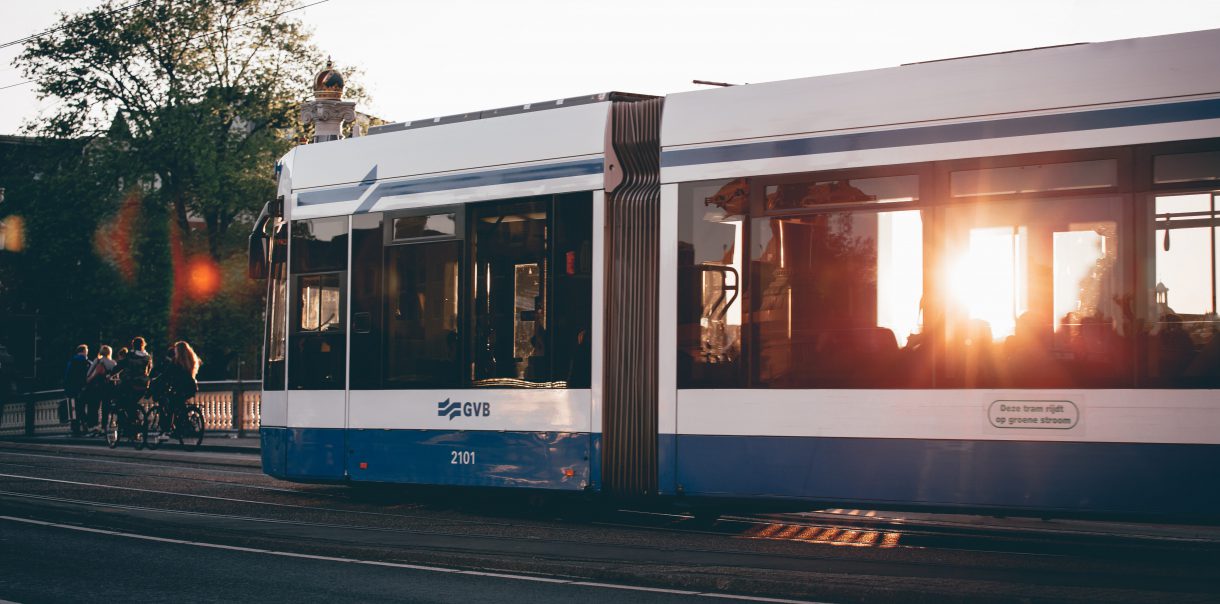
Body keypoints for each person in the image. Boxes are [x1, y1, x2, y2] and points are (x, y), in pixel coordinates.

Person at [159, 341, 201, 437]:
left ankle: (173, 428)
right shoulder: (191, 360)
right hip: (191, 387)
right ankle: (184, 425)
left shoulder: (176, 362)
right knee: (180, 405)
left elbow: (166, 375)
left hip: (180, 388)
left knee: (171, 406)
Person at [112, 337, 153, 427]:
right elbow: (149, 371)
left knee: (120, 400)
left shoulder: (130, 355)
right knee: (133, 403)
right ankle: (135, 422)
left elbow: (121, 365)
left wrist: (110, 374)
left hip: (129, 383)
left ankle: (125, 424)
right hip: (143, 384)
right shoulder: (147, 357)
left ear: (133, 345)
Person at [81, 345, 117, 436]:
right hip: (108, 388)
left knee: (94, 407)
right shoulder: (113, 363)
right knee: (106, 408)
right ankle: (104, 427)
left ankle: (93, 427)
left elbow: (88, 373)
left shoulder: (97, 361)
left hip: (96, 387)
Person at [63, 345, 91, 436]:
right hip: (83, 389)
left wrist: (67, 389)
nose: (87, 352)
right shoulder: (87, 362)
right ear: (83, 351)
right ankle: (85, 427)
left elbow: (67, 376)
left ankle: (76, 429)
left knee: (73, 410)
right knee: (82, 408)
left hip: (71, 389)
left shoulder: (72, 361)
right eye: (86, 350)